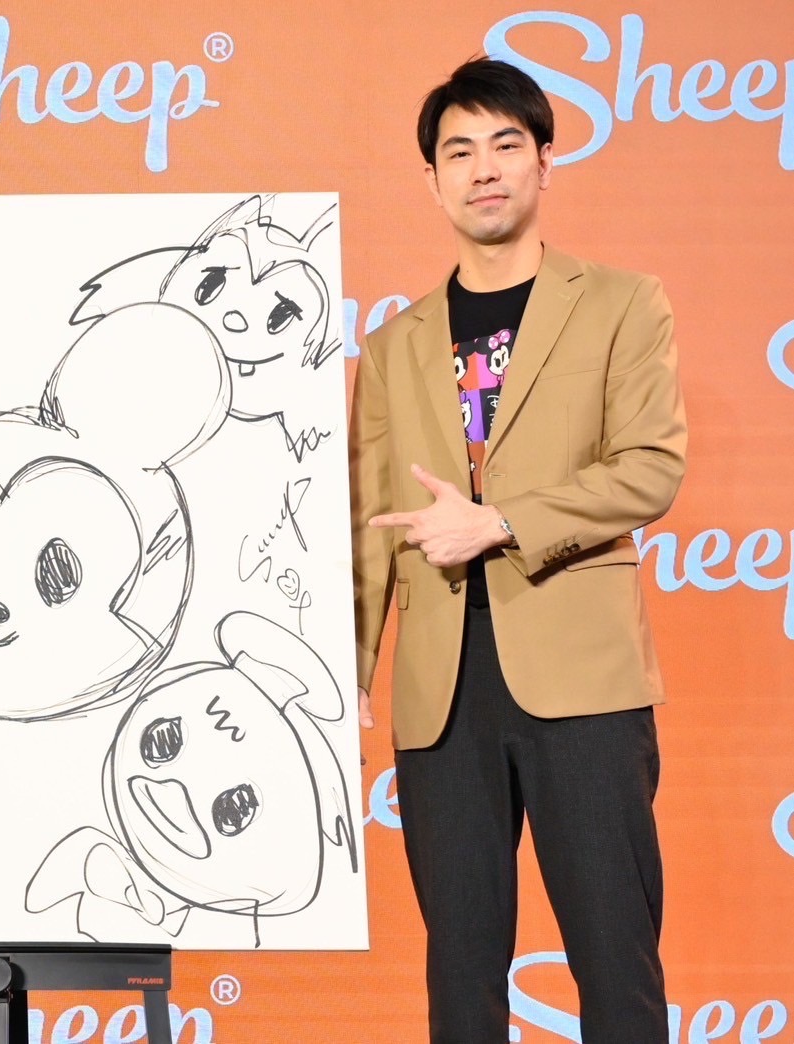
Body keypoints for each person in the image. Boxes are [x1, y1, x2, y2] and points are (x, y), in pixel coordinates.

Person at [350, 58, 686, 1042]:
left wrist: (498, 520)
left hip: (582, 680)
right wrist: (344, 671)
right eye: (459, 152)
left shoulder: (622, 302)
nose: (483, 169)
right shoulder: (392, 345)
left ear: (544, 160)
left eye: (505, 144)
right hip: (441, 688)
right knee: (460, 978)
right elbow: (369, 521)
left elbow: (650, 468)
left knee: (615, 962)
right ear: (431, 180)